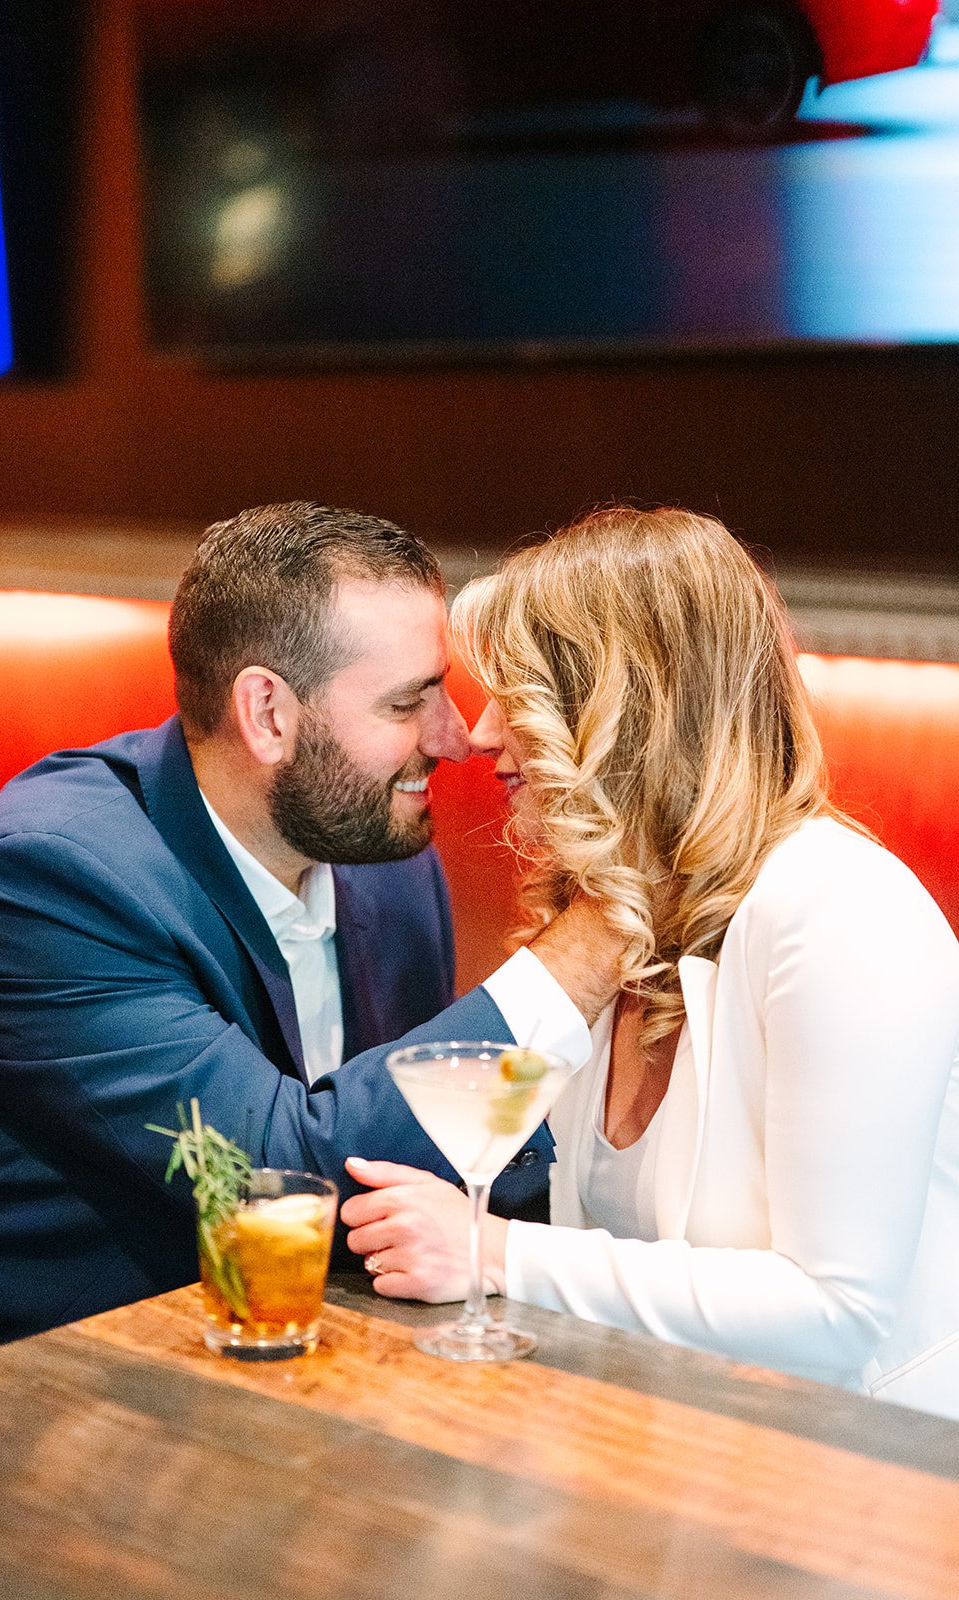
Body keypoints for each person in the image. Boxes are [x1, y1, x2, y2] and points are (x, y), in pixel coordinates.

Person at [0, 502, 617, 1373]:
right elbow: (281, 1182)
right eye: (407, 700)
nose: (453, 736)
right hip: (7, 1393)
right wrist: (602, 933)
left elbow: (411, 1155)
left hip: (286, 1356)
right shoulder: (47, 881)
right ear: (267, 711)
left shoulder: (381, 858)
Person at [341, 506, 959, 1419]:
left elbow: (833, 1316)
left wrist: (495, 1252)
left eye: (518, 690)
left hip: (868, 1483)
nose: (476, 734)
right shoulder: (614, 918)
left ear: (623, 706)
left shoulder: (839, 910)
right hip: (674, 1446)